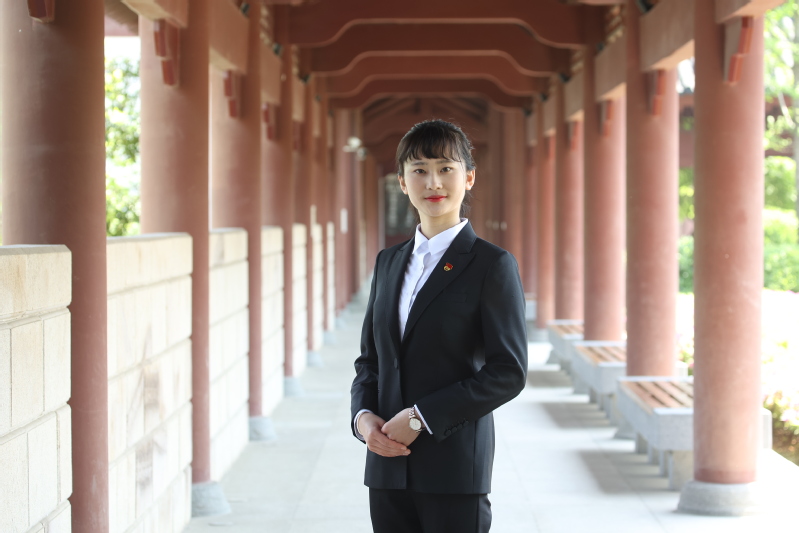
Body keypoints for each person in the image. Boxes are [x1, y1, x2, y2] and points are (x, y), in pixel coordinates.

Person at [350, 119, 528, 533]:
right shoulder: (388, 262)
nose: (433, 182)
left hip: (454, 468)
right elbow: (370, 360)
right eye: (419, 170)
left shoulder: (491, 264)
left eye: (446, 168)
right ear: (402, 181)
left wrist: (420, 417)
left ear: (468, 178)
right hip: (386, 467)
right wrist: (363, 418)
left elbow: (508, 372)